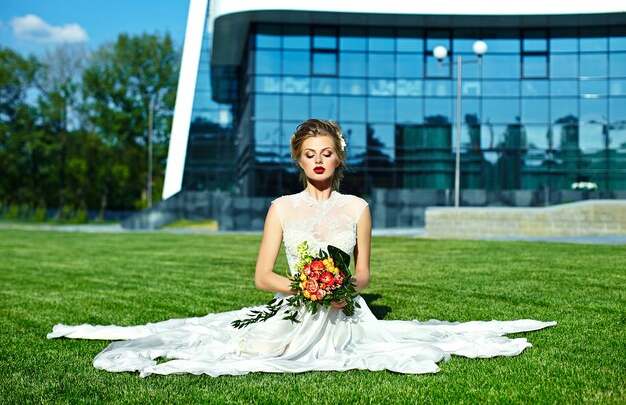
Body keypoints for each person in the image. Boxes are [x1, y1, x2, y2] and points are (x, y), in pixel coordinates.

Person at [48, 118, 556, 377]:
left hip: (342, 311)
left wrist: (338, 290)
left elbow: (364, 278)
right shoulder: (281, 208)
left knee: (389, 347)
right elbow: (262, 276)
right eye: (309, 154)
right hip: (292, 305)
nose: (318, 160)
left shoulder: (358, 208)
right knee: (245, 346)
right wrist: (303, 289)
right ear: (298, 159)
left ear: (339, 159)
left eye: (327, 153)